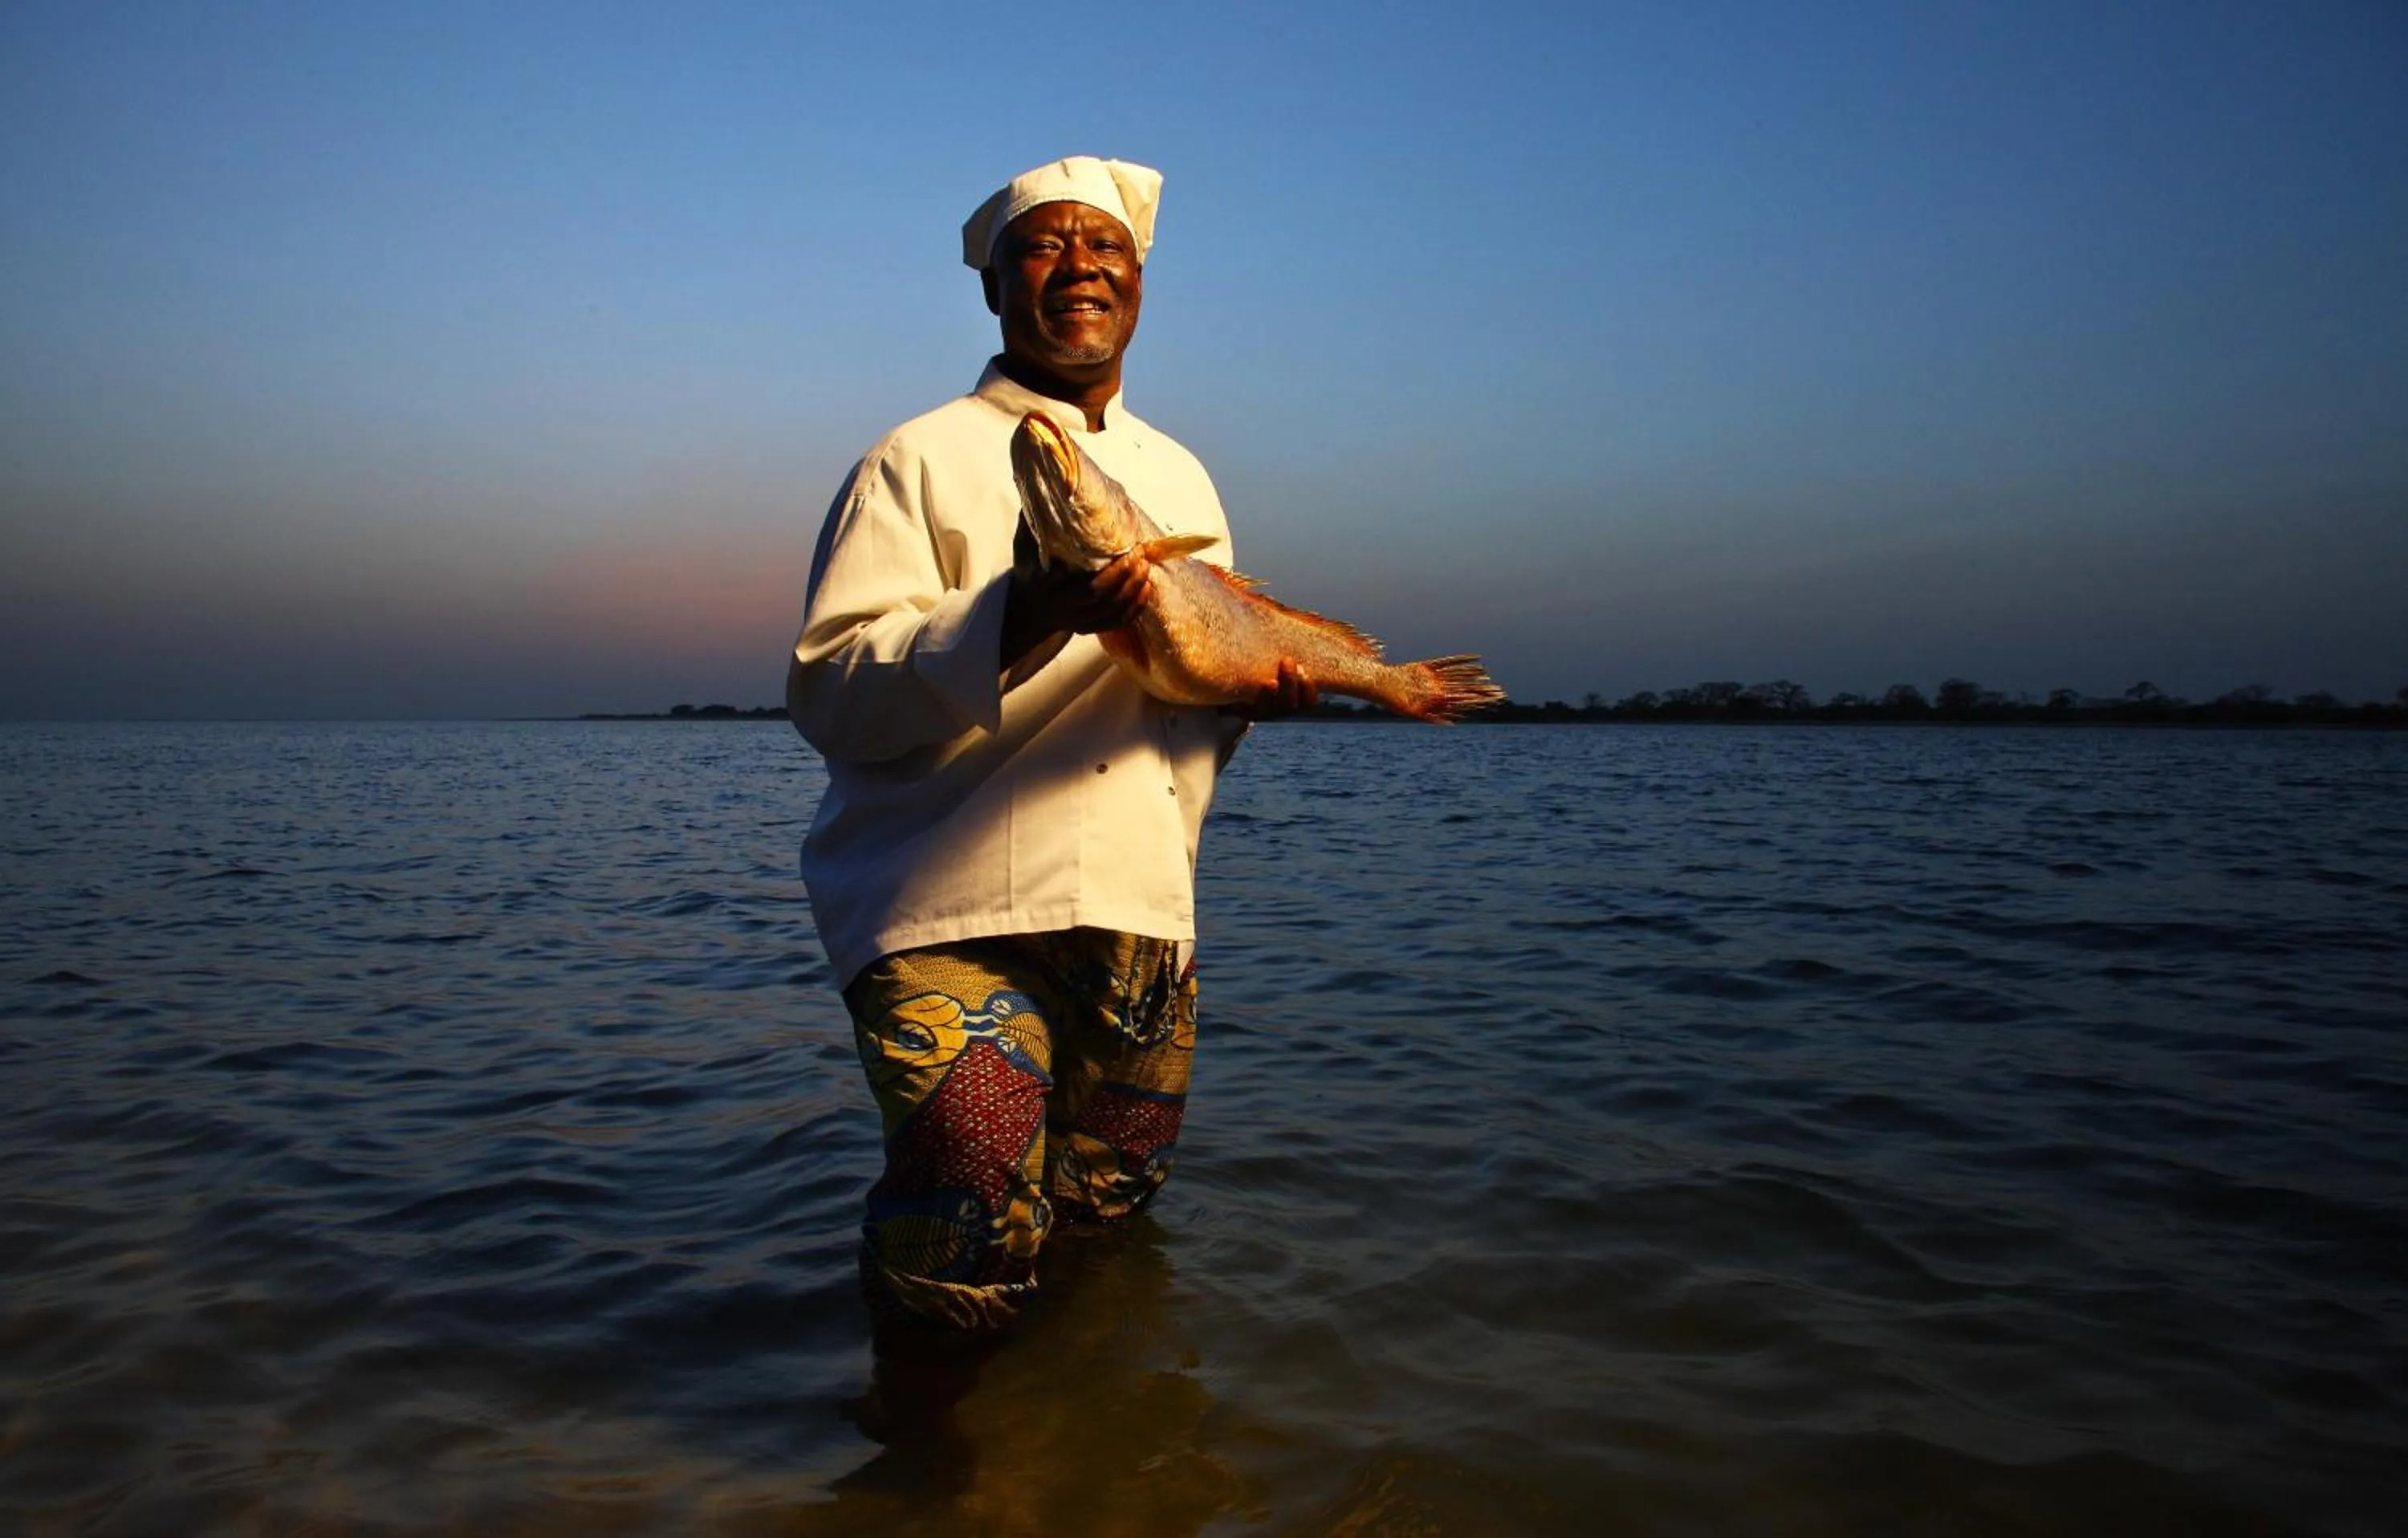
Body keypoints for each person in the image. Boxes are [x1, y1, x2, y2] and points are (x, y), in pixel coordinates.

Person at [786, 156, 1311, 1342]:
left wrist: (1248, 699)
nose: (1080, 266)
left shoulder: (1181, 475)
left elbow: (1186, 704)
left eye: (1107, 248)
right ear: (994, 288)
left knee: (1110, 1213)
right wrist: (1026, 610)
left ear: (1139, 281)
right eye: (1045, 246)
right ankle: (937, 1477)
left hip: (1137, 907)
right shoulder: (913, 459)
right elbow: (827, 691)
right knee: (960, 1219)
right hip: (941, 903)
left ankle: (1078, 1455)